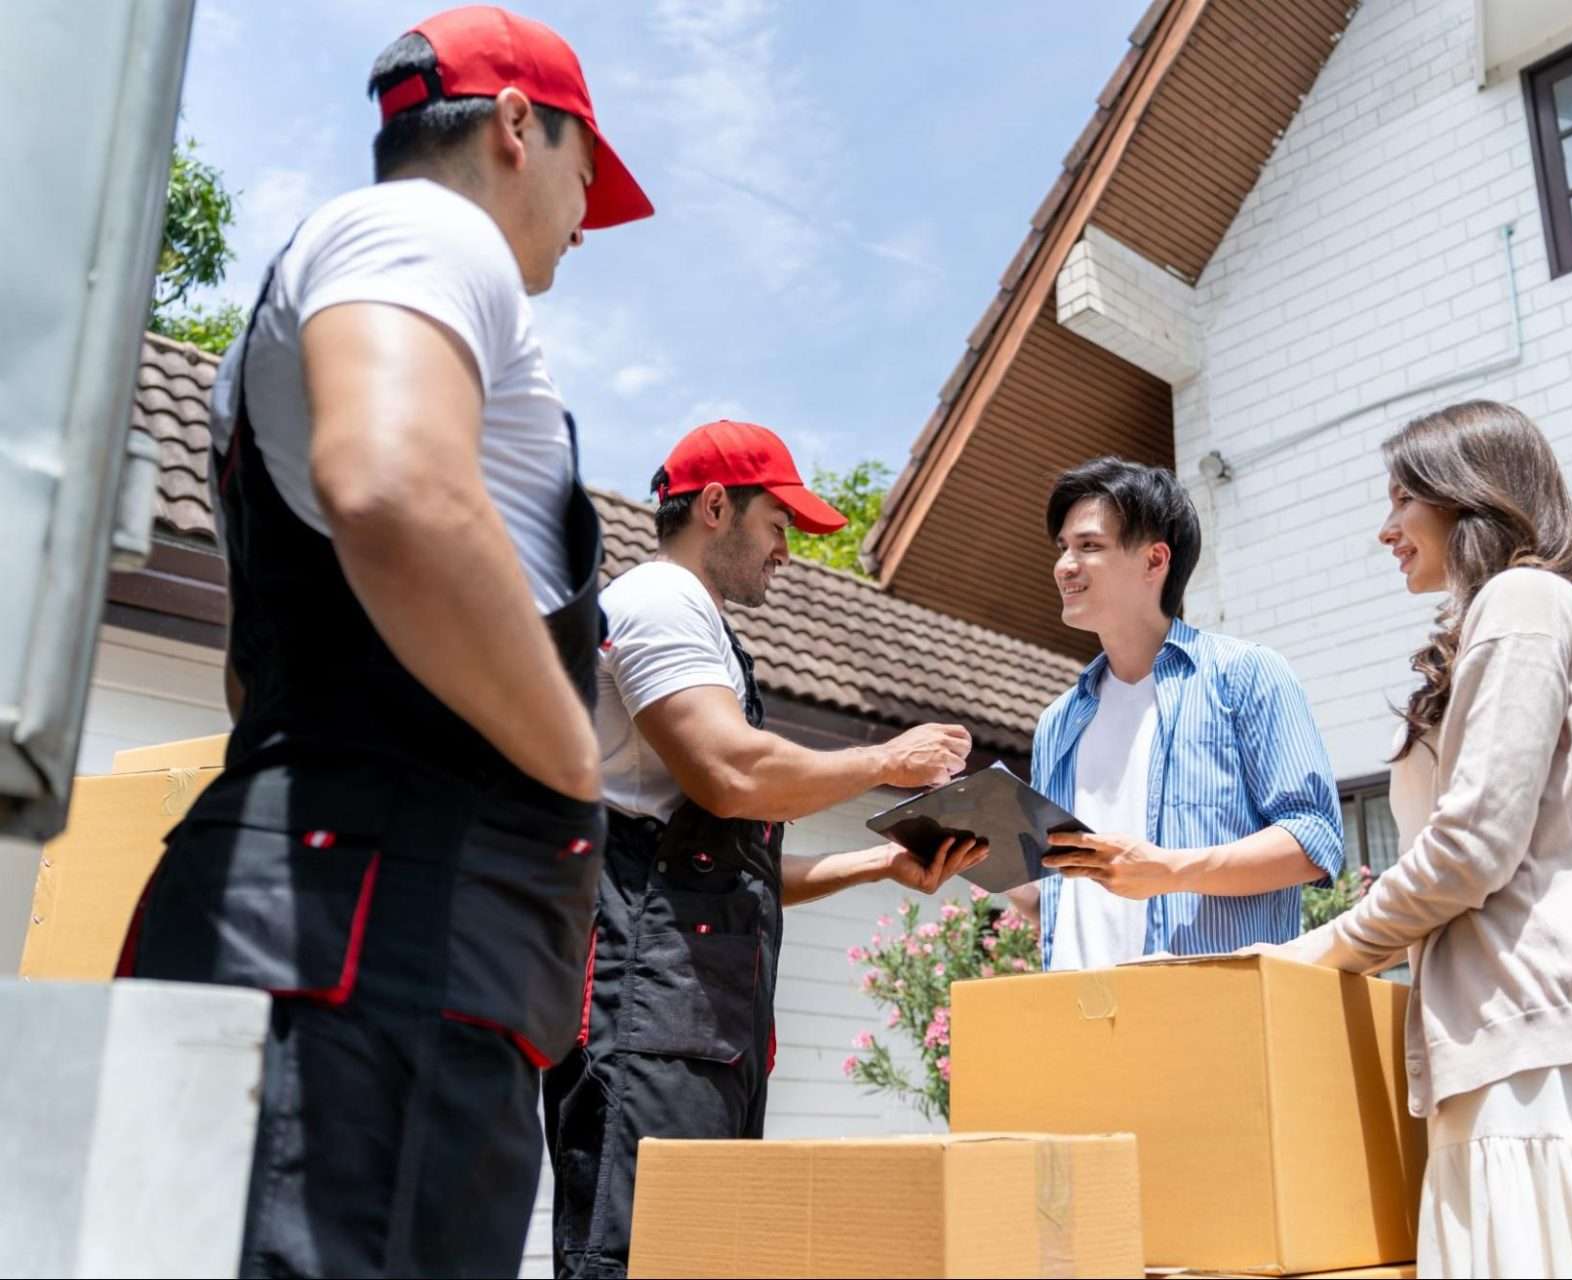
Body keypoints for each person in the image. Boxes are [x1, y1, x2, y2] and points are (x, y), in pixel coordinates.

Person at [117, 8, 653, 1275]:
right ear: (520, 126)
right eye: (589, 173)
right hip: (379, 954)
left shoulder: (311, 315)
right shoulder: (421, 229)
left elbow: (264, 667)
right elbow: (398, 490)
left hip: (337, 936)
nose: (587, 215)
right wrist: (577, 764)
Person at [1268, 401, 1572, 1277]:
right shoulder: (1522, 611)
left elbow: (1471, 847)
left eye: (1404, 498)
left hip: (1537, 1055)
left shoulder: (1521, 601)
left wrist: (1317, 952)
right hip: (1528, 1040)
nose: (1385, 529)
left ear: (1465, 494)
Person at [544, 418, 989, 1279]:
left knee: (702, 1259)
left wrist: (884, 863)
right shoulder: (661, 600)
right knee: (634, 1260)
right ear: (716, 506)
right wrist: (885, 763)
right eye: (778, 525)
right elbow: (728, 772)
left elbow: (730, 869)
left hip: (695, 1025)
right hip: (646, 1020)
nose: (788, 550)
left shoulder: (703, 627)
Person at [1007, 456, 1343, 969]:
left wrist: (1171, 870)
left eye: (1089, 546)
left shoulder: (1244, 674)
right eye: (1063, 548)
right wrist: (1001, 864)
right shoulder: (1059, 719)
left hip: (1207, 1008)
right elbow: (1056, 892)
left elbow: (1313, 840)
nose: (1064, 565)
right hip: (1079, 1011)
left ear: (1154, 560)